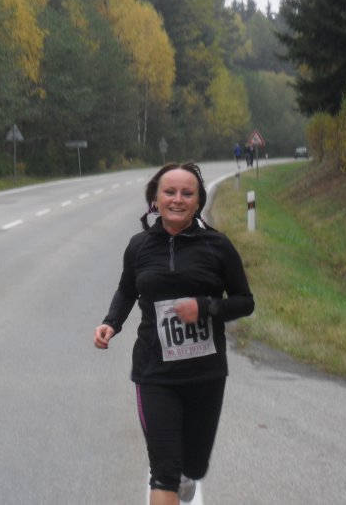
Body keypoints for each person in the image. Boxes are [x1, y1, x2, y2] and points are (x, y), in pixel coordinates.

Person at [94, 162, 255, 505]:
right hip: (154, 372)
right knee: (163, 471)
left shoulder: (217, 246)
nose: (178, 199)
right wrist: (111, 322)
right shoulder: (139, 246)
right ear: (155, 199)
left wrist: (205, 307)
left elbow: (245, 302)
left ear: (198, 201)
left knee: (193, 465)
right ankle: (172, 478)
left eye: (187, 193)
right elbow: (127, 290)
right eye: (169, 192)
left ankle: (187, 474)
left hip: (205, 374)